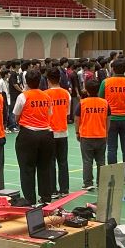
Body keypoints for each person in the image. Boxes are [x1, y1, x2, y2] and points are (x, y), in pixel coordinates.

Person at [13, 69, 54, 205]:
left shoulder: (23, 96)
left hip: (28, 134)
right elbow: (49, 114)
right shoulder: (46, 96)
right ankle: (46, 198)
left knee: (27, 169)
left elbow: (16, 116)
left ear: (26, 82)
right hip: (46, 134)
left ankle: (30, 200)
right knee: (44, 167)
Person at [99, 58, 125, 180]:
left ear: (113, 69)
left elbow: (101, 99)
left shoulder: (106, 82)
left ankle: (113, 175)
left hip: (111, 119)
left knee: (111, 148)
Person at [75, 79, 110, 190]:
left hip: (86, 135)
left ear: (86, 90)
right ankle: (101, 182)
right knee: (101, 160)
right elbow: (108, 119)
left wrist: (77, 132)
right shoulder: (105, 103)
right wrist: (106, 132)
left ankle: (88, 183)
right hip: (101, 135)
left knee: (87, 161)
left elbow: (77, 119)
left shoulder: (82, 103)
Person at [45, 67, 71, 198]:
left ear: (48, 80)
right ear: (59, 79)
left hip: (50, 131)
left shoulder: (45, 94)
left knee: (51, 162)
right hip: (63, 131)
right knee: (63, 162)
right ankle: (64, 189)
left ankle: (52, 190)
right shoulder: (66, 93)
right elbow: (67, 112)